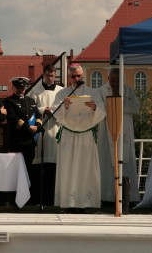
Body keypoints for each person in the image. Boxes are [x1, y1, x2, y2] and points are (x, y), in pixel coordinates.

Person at [52, 63, 105, 212]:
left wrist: (95, 107)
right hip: (69, 134)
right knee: (68, 168)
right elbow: (56, 113)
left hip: (87, 134)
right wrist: (65, 106)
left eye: (79, 76)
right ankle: (68, 202)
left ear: (83, 76)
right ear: (69, 77)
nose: (76, 78)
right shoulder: (62, 94)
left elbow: (103, 112)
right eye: (73, 76)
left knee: (86, 169)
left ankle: (87, 203)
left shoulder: (93, 92)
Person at [98, 67, 141, 204]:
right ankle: (106, 197)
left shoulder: (127, 90)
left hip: (124, 131)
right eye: (113, 81)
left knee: (126, 164)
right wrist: (110, 103)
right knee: (105, 164)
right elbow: (99, 109)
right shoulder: (100, 91)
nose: (115, 84)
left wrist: (120, 100)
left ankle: (129, 197)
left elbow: (136, 107)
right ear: (108, 78)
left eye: (118, 81)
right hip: (106, 131)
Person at [28, 64, 63, 205]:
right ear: (43, 75)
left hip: (55, 129)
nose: (50, 78)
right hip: (40, 130)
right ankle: (37, 198)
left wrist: (54, 111)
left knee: (53, 166)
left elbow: (64, 108)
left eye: (53, 75)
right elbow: (30, 108)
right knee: (39, 165)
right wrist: (43, 109)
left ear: (55, 76)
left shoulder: (61, 91)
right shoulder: (35, 91)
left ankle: (53, 198)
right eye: (48, 75)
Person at [4, 77, 43, 183]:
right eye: (17, 87)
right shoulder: (9, 101)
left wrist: (37, 126)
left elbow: (38, 115)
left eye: (22, 87)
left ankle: (27, 195)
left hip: (30, 141)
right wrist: (28, 127)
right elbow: (13, 118)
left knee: (28, 168)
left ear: (25, 88)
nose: (20, 89)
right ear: (13, 87)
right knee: (15, 170)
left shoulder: (31, 101)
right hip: (17, 141)